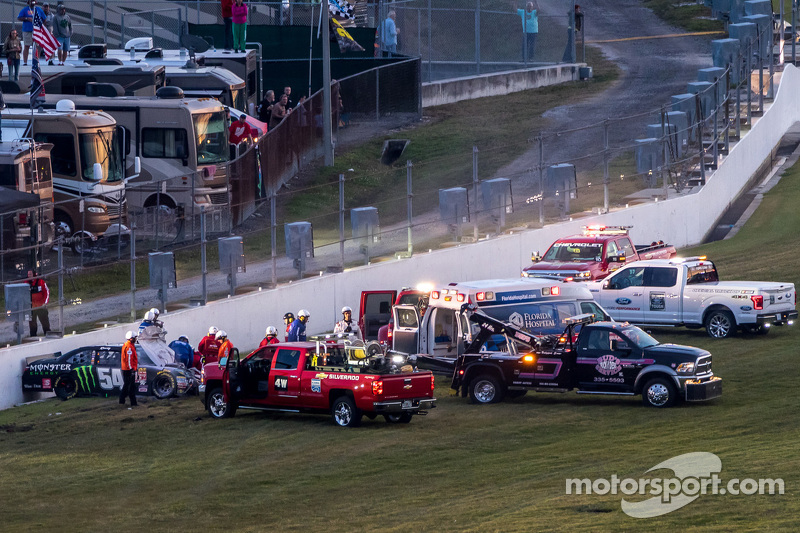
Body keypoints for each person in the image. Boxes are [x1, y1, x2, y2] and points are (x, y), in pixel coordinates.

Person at [17, 0, 46, 66]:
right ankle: (25, 62)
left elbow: (44, 18)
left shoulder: (38, 9)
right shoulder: (25, 9)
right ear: (28, 2)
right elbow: (19, 17)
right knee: (26, 46)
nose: (32, 3)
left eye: (33, 1)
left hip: (37, 31)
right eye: (30, 1)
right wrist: (27, 18)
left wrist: (42, 26)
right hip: (27, 30)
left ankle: (36, 61)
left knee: (37, 46)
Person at [27, 270, 50, 336]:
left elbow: (47, 292)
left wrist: (45, 303)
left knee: (45, 323)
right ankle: (33, 337)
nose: (29, 276)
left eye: (30, 274)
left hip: (41, 306)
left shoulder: (41, 282)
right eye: (28, 274)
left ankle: (48, 335)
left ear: (34, 274)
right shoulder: (26, 283)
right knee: (32, 325)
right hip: (31, 308)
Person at [120, 330, 138, 407]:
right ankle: (132, 402)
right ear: (131, 338)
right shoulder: (129, 347)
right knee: (130, 386)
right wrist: (132, 370)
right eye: (134, 338)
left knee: (127, 386)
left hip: (127, 369)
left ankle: (122, 400)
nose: (135, 339)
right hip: (128, 370)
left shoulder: (127, 345)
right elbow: (129, 359)